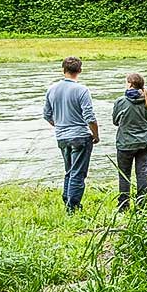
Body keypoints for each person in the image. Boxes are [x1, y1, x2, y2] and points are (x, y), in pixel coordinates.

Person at [42, 56, 99, 213]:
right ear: (79, 70)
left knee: (69, 171)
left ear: (63, 70)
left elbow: (47, 115)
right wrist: (96, 135)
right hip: (80, 136)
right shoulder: (82, 90)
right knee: (78, 173)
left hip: (61, 136)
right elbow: (90, 117)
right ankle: (72, 207)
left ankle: (67, 200)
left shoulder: (51, 89)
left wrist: (60, 125)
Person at [112, 72, 147, 211]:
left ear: (130, 84)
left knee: (124, 175)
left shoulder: (120, 101)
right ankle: (142, 205)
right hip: (145, 143)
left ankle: (123, 206)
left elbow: (115, 121)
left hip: (125, 143)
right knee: (142, 173)